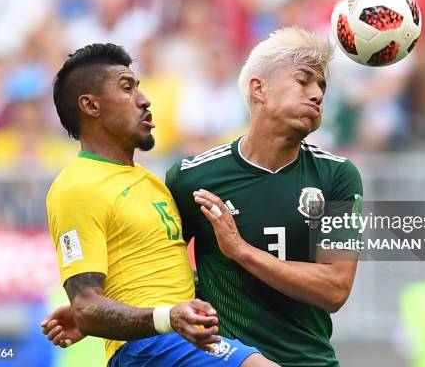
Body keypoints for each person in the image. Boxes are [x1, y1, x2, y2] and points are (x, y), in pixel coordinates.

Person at [41, 43, 276, 367]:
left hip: (178, 339)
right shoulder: (76, 186)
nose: (144, 99)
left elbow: (156, 279)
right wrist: (166, 316)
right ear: (91, 106)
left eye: (138, 86)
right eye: (127, 88)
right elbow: (85, 305)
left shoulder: (151, 183)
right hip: (149, 348)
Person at [165, 27, 363, 366]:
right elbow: (162, 270)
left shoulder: (338, 175)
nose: (317, 94)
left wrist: (241, 252)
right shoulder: (192, 177)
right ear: (259, 89)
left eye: (322, 86)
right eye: (304, 81)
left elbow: (335, 288)